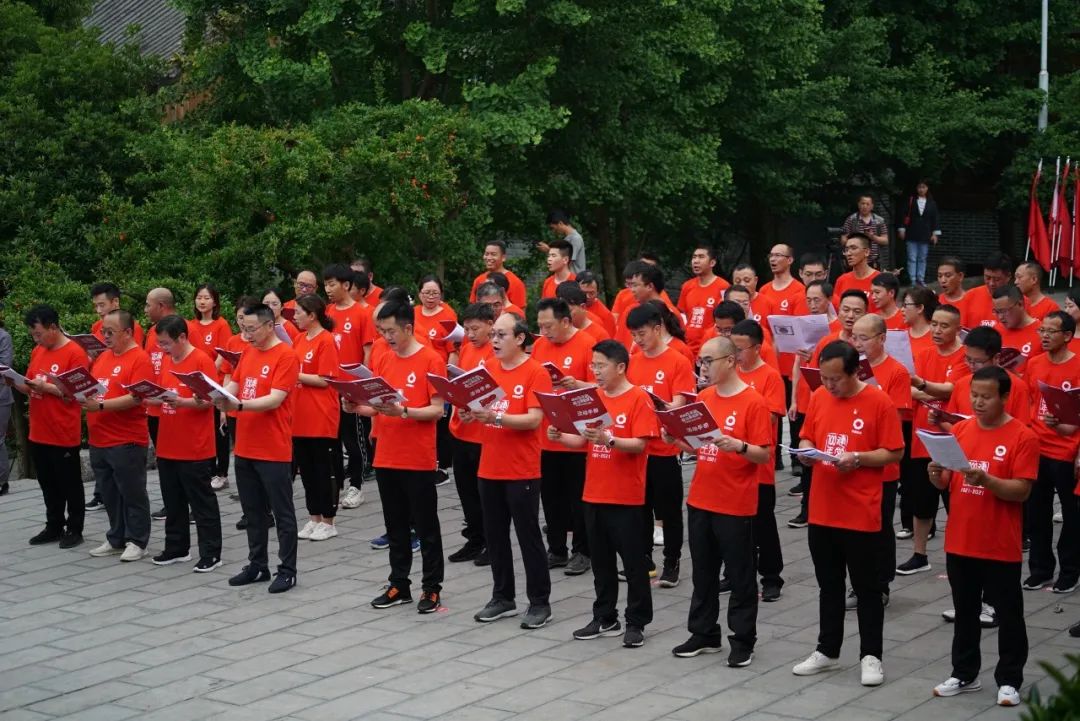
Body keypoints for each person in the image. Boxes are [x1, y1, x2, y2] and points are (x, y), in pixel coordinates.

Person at [792, 341, 904, 687]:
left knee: (867, 587)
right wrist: (806, 452)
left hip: (860, 510)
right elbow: (807, 436)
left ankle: (871, 655)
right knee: (829, 585)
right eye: (824, 378)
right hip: (823, 507)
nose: (829, 385)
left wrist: (859, 458)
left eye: (835, 379)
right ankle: (827, 649)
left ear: (855, 372)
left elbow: (894, 452)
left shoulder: (878, 402)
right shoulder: (819, 397)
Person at [928, 366, 1035, 708]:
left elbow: (1021, 491)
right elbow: (946, 482)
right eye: (974, 395)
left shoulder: (1023, 437)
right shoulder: (960, 430)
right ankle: (964, 673)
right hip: (961, 539)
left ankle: (1010, 679)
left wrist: (987, 481)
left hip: (999, 542)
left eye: (986, 396)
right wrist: (935, 475)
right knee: (965, 610)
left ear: (1005, 397)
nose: (978, 402)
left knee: (1009, 614)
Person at [668, 335, 772, 665]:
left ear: (730, 361)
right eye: (701, 361)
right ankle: (704, 632)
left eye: (708, 361)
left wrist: (739, 446)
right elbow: (698, 445)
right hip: (701, 498)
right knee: (703, 571)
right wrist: (674, 438)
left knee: (740, 575)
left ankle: (743, 639)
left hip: (735, 502)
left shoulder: (753, 401)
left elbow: (763, 453)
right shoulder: (705, 397)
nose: (703, 367)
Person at [548, 339, 656, 648]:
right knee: (602, 563)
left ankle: (637, 621)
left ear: (620, 367)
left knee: (633, 563)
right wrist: (560, 436)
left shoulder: (638, 398)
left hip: (625, 497)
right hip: (594, 493)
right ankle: (605, 617)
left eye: (601, 366)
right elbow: (582, 441)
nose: (595, 371)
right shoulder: (593, 398)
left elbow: (640, 444)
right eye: (593, 365)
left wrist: (610, 440)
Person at [347, 300, 447, 613]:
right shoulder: (384, 358)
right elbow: (378, 407)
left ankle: (431, 587)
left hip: (417, 457)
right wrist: (356, 406)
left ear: (408, 328)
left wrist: (403, 411)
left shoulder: (431, 359)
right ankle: (399, 584)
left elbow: (437, 410)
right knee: (395, 526)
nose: (386, 337)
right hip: (386, 454)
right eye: (382, 331)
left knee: (426, 526)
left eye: (391, 331)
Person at [464, 313, 553, 629]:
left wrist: (496, 418)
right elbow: (481, 408)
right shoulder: (488, 368)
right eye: (493, 335)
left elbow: (533, 419)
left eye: (502, 335)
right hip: (489, 466)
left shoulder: (536, 372)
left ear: (520, 338)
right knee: (495, 536)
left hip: (521, 469)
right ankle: (503, 597)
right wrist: (470, 412)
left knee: (528, 537)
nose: (495, 341)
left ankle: (540, 602)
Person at [215, 303, 301, 594]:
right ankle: (257, 564)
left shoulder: (286, 355)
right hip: (245, 446)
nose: (247, 334)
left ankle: (287, 570)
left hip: (273, 448)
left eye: (251, 329)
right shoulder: (249, 352)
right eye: (243, 328)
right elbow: (235, 385)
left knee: (282, 512)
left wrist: (238, 406)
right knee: (252, 512)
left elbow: (275, 399)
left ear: (269, 325)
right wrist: (218, 396)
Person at [626, 304, 696, 586]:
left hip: (666, 447)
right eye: (633, 335)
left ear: (657, 329)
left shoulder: (678, 360)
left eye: (642, 333)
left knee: (668, 510)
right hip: (638, 447)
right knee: (639, 506)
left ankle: (672, 561)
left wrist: (659, 405)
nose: (638, 339)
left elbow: (680, 404)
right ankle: (644, 559)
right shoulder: (633, 361)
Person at [149, 315, 223, 571]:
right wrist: (148, 396)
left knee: (201, 502)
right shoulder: (168, 360)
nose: (163, 348)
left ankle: (211, 552)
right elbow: (163, 393)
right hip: (168, 442)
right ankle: (177, 547)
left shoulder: (201, 360)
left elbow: (211, 399)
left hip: (194, 445)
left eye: (166, 343)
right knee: (173, 500)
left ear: (182, 337)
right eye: (160, 343)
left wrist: (183, 402)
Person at [901, 304, 970, 575]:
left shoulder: (964, 357)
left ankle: (961, 553)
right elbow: (909, 390)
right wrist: (931, 392)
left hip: (954, 437)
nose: (937, 330)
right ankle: (919, 554)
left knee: (956, 502)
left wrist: (923, 388)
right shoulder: (924, 354)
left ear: (957, 329)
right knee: (921, 501)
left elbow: (953, 390)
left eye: (944, 325)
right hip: (923, 437)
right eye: (935, 324)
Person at [788, 290, 866, 528]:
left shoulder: (866, 345)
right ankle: (808, 509)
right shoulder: (826, 341)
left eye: (857, 311)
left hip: (857, 415)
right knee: (813, 459)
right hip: (825, 409)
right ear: (837, 311)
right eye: (846, 310)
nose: (850, 316)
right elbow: (814, 376)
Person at [15, 305, 89, 547]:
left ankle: (74, 528)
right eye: (33, 335)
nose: (36, 339)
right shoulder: (38, 351)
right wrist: (14, 381)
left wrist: (46, 388)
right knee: (47, 483)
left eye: (38, 334)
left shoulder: (75, 353)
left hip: (62, 430)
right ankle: (54, 525)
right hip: (39, 429)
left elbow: (78, 395)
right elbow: (30, 384)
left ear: (53, 327)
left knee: (69, 483)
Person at [851, 314, 912, 608]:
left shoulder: (896, 372)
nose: (857, 343)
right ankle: (857, 583)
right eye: (854, 337)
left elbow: (896, 421)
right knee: (854, 529)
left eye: (864, 338)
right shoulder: (851, 368)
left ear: (882, 338)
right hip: (852, 460)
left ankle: (880, 583)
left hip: (881, 464)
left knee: (880, 527)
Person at [85, 310, 154, 562]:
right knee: (109, 492)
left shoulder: (140, 359)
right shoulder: (104, 356)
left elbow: (136, 398)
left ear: (127, 332)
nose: (105, 336)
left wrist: (101, 406)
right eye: (102, 331)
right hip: (99, 437)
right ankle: (116, 537)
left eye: (110, 332)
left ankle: (138, 540)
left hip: (126, 439)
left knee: (132, 492)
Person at [532, 297, 595, 576]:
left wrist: (577, 384)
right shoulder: (539, 346)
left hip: (577, 435)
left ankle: (583, 551)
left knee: (578, 497)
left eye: (549, 326)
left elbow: (602, 386)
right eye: (540, 326)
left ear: (566, 321)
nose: (544, 332)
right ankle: (556, 549)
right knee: (551, 496)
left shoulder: (587, 344)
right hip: (548, 433)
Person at [1023, 311, 1080, 593]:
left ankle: (1070, 571)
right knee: (1037, 513)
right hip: (1038, 448)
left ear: (1068, 336)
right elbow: (1029, 402)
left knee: (1072, 516)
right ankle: (1040, 569)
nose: (1044, 336)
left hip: (1068, 451)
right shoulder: (1034, 363)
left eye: (1051, 331)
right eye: (1041, 330)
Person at [730, 319, 785, 601]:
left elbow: (772, 416)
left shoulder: (770, 377)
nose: (736, 355)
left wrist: (741, 421)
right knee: (735, 527)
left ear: (757, 348)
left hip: (759, 465)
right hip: (731, 465)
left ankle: (772, 577)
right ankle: (737, 574)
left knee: (763, 524)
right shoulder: (731, 374)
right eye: (732, 348)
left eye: (740, 349)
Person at [447, 302, 496, 565]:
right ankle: (475, 538)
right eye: (466, 329)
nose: (470, 334)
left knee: (485, 494)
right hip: (461, 430)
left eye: (475, 328)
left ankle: (491, 541)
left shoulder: (496, 352)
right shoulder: (465, 349)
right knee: (466, 492)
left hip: (482, 434)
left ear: (490, 324)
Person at [323, 264, 374, 508]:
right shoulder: (328, 311)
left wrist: (363, 386)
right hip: (328, 386)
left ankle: (356, 485)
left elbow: (368, 352)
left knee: (353, 440)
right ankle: (336, 484)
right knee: (331, 439)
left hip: (351, 388)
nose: (328, 289)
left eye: (332, 284)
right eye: (326, 284)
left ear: (346, 285)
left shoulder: (362, 313)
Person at [291, 294, 342, 542]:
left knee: (324, 470)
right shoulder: (299, 339)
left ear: (312, 315)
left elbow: (325, 379)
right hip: (299, 415)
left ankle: (329, 521)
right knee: (307, 471)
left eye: (298, 312)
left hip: (321, 415)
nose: (295, 317)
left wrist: (295, 375)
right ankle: (314, 517)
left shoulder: (326, 340)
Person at [187, 284, 234, 490]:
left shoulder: (221, 325)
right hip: (197, 382)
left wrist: (208, 375)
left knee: (218, 429)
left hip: (215, 381)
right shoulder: (190, 325)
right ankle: (208, 469)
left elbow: (223, 354)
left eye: (206, 298)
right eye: (199, 297)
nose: (202, 301)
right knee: (202, 428)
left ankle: (221, 473)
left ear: (215, 302)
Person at [414, 275, 458, 482]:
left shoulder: (448, 314)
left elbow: (453, 350)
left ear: (441, 294)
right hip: (417, 374)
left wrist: (448, 377)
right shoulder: (413, 314)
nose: (430, 297)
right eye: (426, 293)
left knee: (440, 421)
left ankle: (443, 466)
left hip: (439, 374)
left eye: (435, 293)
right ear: (419, 294)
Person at [143, 287, 177, 522]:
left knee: (181, 460)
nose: (145, 309)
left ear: (162, 306)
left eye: (148, 304)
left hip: (176, 406)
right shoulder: (151, 332)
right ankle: (171, 503)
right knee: (163, 459)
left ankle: (188, 503)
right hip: (153, 405)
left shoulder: (183, 329)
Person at [678, 245, 730, 353]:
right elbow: (684, 315)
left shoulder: (723, 287)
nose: (696, 261)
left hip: (711, 347)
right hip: (688, 346)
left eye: (701, 257)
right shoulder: (687, 286)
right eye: (694, 257)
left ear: (712, 263)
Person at [990, 285, 1043, 375]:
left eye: (1004, 311)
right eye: (997, 312)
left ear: (1020, 304)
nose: (1000, 317)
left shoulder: (1042, 333)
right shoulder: (996, 331)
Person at [897, 181, 941, 286]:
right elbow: (903, 215)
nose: (921, 189)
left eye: (923, 187)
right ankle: (912, 279)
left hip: (925, 234)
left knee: (922, 258)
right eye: (919, 187)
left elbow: (935, 219)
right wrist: (902, 229)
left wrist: (935, 234)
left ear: (927, 188)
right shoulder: (911, 200)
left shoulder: (932, 203)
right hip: (911, 232)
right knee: (912, 258)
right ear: (916, 189)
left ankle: (921, 278)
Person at [469, 240, 527, 308]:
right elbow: (473, 306)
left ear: (503, 258)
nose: (489, 258)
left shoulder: (515, 283)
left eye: (493, 254)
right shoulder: (479, 280)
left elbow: (519, 312)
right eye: (486, 254)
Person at [832, 233, 882, 313]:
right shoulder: (841, 280)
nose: (848, 253)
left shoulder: (880, 279)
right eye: (846, 250)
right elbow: (836, 311)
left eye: (853, 248)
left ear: (867, 252)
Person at [965, 253, 1016, 327]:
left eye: (997, 279)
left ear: (1008, 276)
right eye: (987, 278)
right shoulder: (969, 296)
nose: (991, 283)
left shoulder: (1018, 301)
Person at [840, 195, 889, 270]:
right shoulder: (851, 219)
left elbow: (885, 241)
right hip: (856, 259)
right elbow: (843, 240)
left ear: (872, 206)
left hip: (874, 260)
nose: (865, 206)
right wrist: (853, 239)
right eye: (863, 203)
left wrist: (872, 237)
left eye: (867, 204)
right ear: (858, 205)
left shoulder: (879, 221)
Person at [90, 282, 145, 346]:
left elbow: (135, 351)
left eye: (102, 305)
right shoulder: (96, 326)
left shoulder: (133, 328)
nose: (98, 310)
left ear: (116, 301)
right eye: (96, 306)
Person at [936, 258, 978, 330]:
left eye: (948, 275)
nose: (943, 280)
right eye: (940, 276)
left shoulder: (972, 301)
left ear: (960, 276)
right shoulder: (936, 302)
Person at [543, 210, 586, 274]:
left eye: (553, 228)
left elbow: (566, 261)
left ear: (560, 223)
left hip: (574, 279)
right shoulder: (567, 239)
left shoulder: (575, 239)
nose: (553, 231)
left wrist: (548, 250)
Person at [577, 271, 616, 336]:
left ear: (597, 292)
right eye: (583, 293)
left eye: (591, 293)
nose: (587, 296)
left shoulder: (606, 315)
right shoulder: (570, 308)